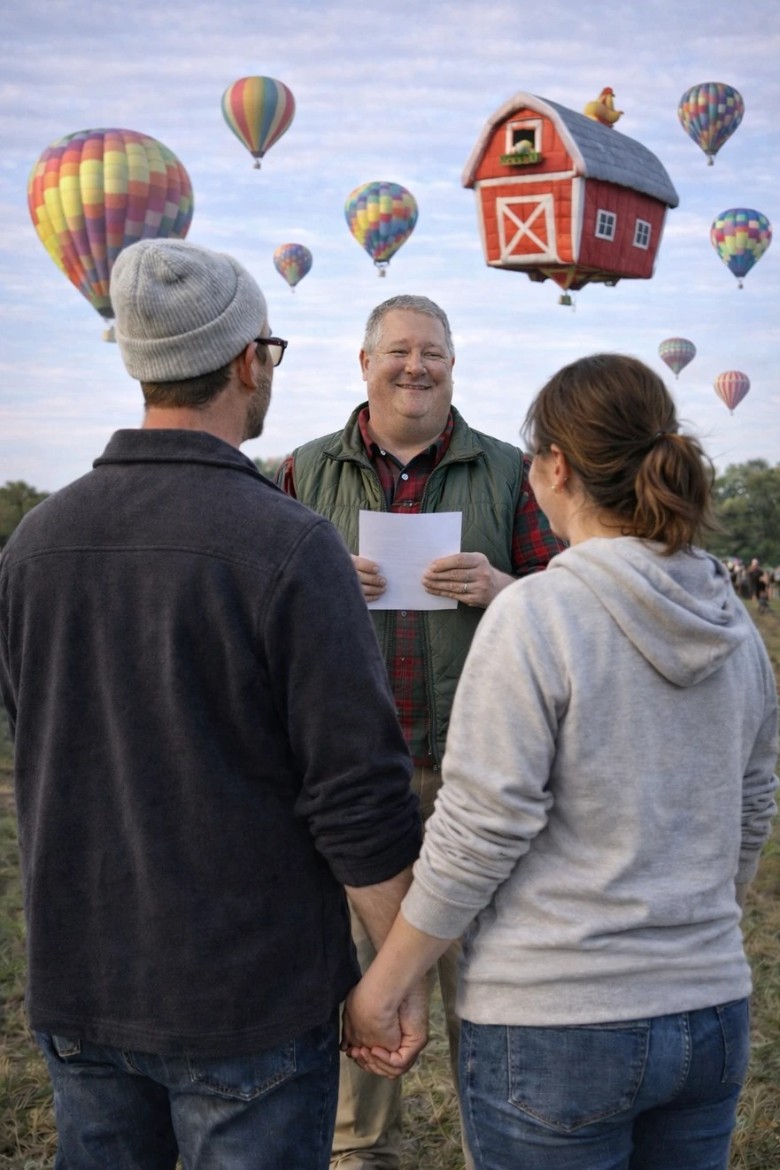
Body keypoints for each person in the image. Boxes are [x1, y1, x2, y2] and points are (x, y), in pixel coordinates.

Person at [0, 239, 425, 1170]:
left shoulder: (35, 543)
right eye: (270, 349)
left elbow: (41, 736)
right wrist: (398, 972)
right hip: (248, 998)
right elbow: (356, 790)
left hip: (82, 979)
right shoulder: (287, 544)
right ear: (248, 360)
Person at [343, 353, 779, 1170]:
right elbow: (754, 805)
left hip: (557, 1023)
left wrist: (384, 983)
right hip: (711, 1010)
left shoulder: (539, 613)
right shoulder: (730, 617)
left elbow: (477, 833)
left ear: (554, 469)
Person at [276, 293, 563, 1169]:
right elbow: (250, 611)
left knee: (493, 973)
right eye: (398, 350)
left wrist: (505, 586)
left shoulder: (512, 471)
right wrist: (317, 585)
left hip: (475, 767)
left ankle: (509, 1140)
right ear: (363, 364)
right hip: (346, 770)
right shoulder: (298, 472)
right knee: (359, 965)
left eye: (433, 351)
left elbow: (573, 606)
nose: (416, 366)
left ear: (453, 363)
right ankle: (360, 1147)